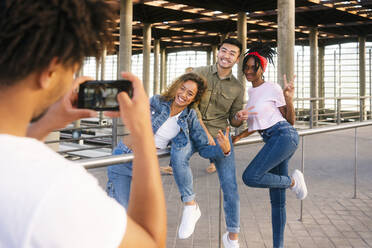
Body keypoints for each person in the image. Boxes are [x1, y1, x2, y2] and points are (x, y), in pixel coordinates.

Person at [0, 1, 166, 247]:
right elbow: (150, 242)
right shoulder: (54, 188)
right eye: (74, 65)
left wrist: (44, 125)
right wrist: (142, 134)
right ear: (50, 71)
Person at [107, 73, 231, 239]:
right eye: (183, 89)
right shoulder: (157, 101)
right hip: (124, 159)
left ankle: (191, 207)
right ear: (176, 86)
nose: (183, 95)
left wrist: (224, 150)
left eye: (190, 94)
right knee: (122, 212)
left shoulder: (190, 117)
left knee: (137, 217)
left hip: (145, 167)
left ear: (195, 98)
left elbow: (203, 148)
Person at [233, 43, 308, 248]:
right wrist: (238, 137)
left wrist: (289, 99)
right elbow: (258, 123)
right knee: (277, 201)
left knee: (250, 176)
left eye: (253, 67)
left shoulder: (273, 87)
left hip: (284, 136)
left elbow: (289, 120)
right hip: (272, 140)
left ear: (262, 68)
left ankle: (293, 182)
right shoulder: (251, 93)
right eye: (246, 67)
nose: (248, 71)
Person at [192, 38, 248, 248]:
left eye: (232, 53)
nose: (226, 56)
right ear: (218, 51)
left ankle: (232, 235)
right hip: (193, 131)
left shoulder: (237, 87)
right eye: (224, 51)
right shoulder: (199, 73)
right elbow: (189, 103)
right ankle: (190, 205)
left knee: (230, 187)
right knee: (177, 161)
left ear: (237, 58)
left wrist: (239, 118)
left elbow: (233, 119)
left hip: (219, 135)